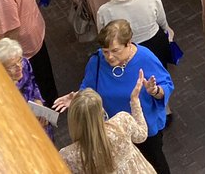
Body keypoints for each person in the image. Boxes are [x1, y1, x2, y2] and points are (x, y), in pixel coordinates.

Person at [53, 20, 174, 174]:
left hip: (144, 127)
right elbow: (88, 86)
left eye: (115, 50)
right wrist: (79, 97)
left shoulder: (145, 57)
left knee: (156, 163)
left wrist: (155, 91)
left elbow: (166, 84)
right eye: (105, 51)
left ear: (128, 44)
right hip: (112, 133)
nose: (109, 56)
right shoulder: (97, 61)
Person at [97, 0, 174, 81]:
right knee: (159, 74)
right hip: (155, 43)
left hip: (127, 52)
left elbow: (105, 38)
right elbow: (162, 21)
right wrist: (167, 30)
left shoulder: (104, 11)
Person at [59, 85, 153, 174]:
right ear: (101, 110)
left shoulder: (68, 156)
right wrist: (135, 100)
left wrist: (79, 104)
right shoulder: (122, 122)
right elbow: (141, 136)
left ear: (73, 119)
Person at [0, 37, 52, 136]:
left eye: (19, 60)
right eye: (12, 66)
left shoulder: (24, 64)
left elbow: (32, 82)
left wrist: (38, 100)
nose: (19, 67)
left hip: (37, 115)